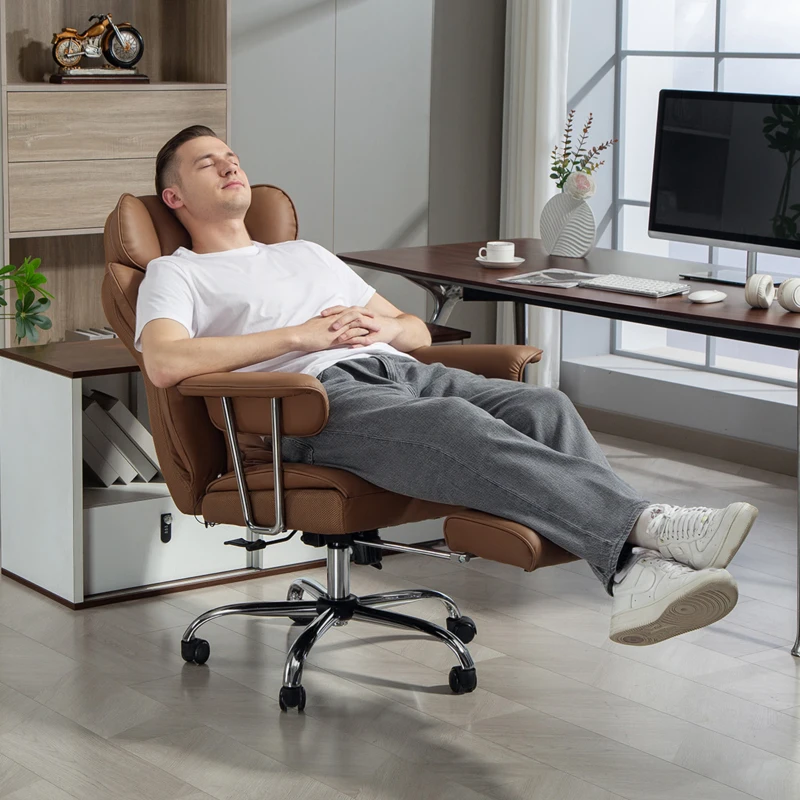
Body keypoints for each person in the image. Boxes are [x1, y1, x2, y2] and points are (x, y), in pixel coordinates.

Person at [135, 126, 759, 647]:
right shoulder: (176, 273)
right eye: (207, 163)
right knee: (456, 428)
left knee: (544, 404)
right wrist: (300, 337)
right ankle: (649, 531)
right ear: (173, 196)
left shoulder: (306, 254)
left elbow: (414, 330)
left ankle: (632, 572)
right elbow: (165, 363)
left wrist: (379, 324)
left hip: (403, 372)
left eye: (232, 158)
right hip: (308, 406)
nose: (229, 166)